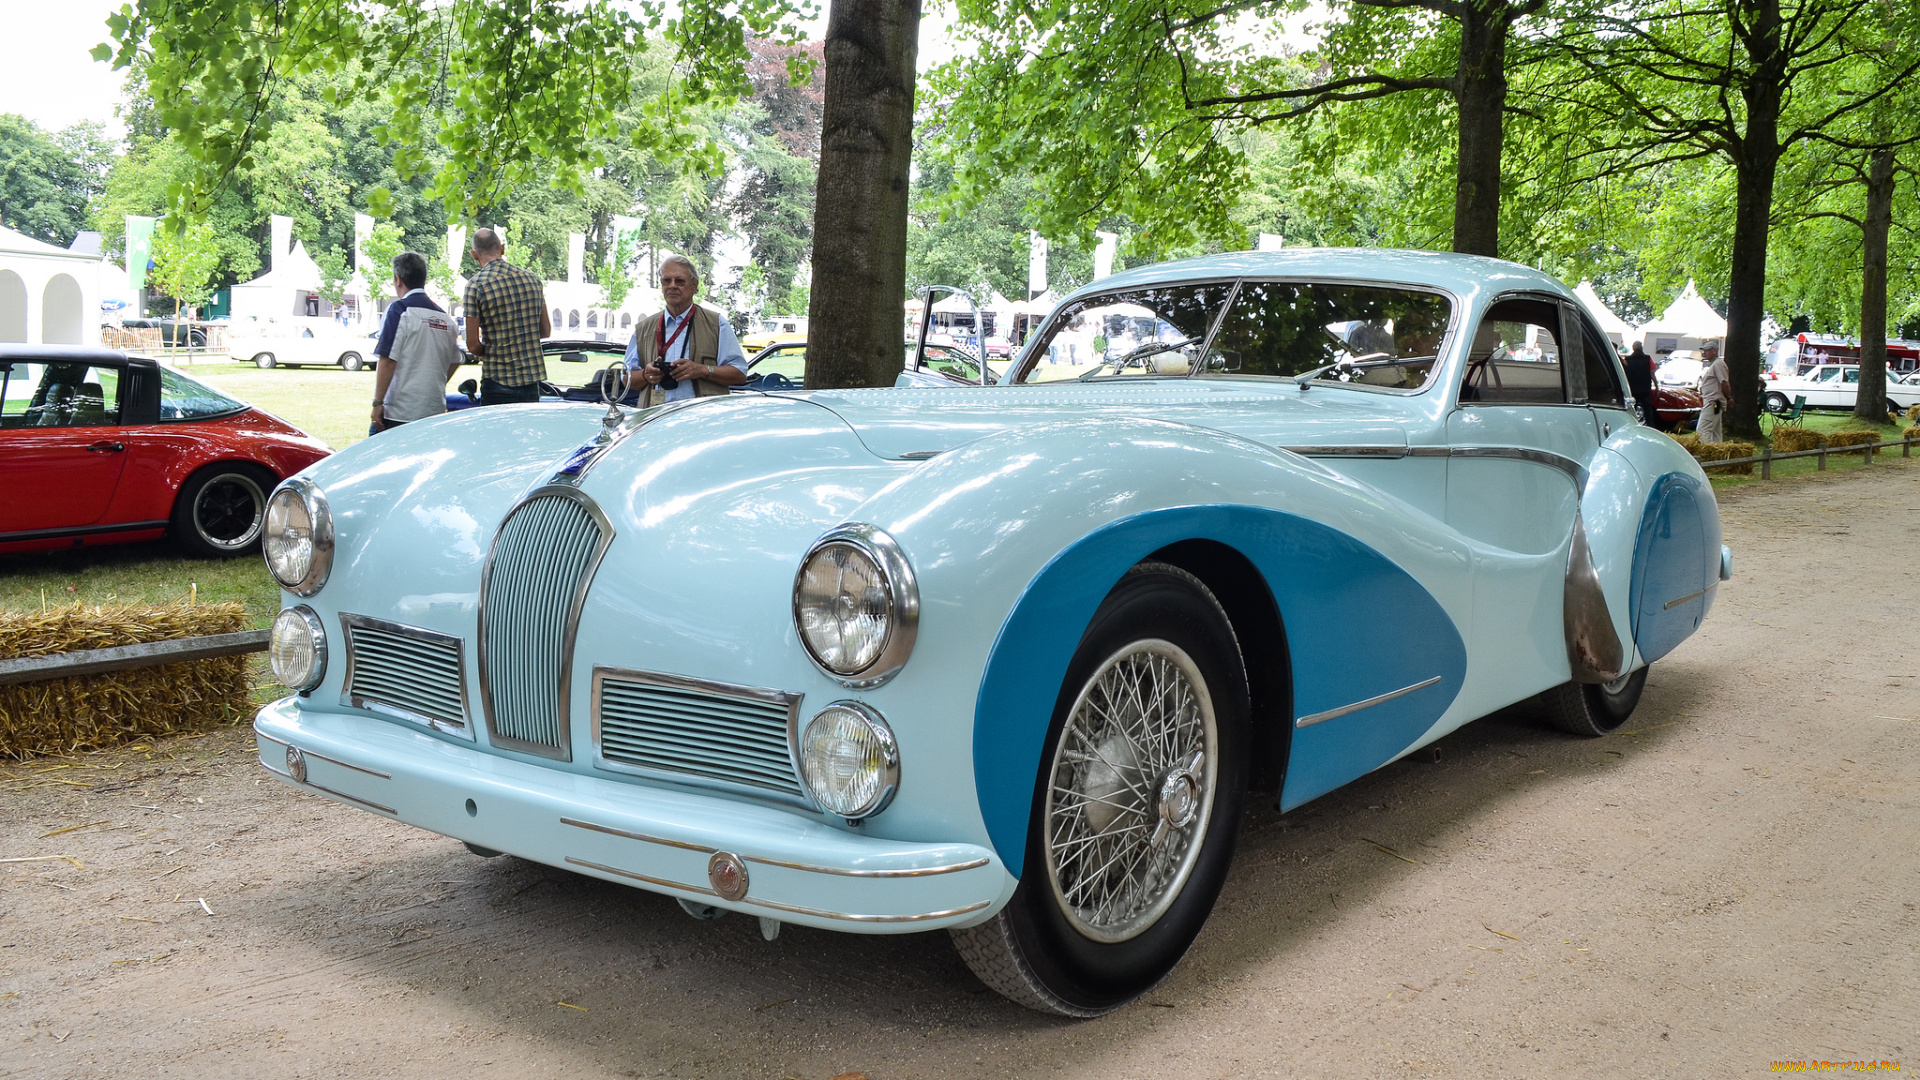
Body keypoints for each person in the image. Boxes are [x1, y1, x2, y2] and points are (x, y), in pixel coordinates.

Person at [624, 255, 748, 404]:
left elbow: (739, 374)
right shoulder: (643, 328)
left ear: (694, 286)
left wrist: (701, 370)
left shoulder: (716, 324)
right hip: (655, 419)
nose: (672, 286)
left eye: (680, 281)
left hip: (700, 419)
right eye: (666, 280)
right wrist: (646, 374)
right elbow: (626, 379)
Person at [370, 251, 463, 432]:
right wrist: (432, 382)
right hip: (432, 408)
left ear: (398, 279)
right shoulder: (445, 318)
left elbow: (388, 359)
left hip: (399, 412)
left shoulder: (399, 310)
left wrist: (378, 402)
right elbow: (456, 360)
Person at [462, 227, 551, 405]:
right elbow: (545, 330)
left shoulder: (475, 286)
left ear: (474, 254)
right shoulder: (533, 280)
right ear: (502, 249)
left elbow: (472, 345)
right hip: (531, 382)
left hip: (497, 382)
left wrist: (487, 351)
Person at [1696, 341, 1730, 442]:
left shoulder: (1718, 364)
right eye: (1704, 350)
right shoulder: (1715, 364)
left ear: (1714, 351)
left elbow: (1724, 383)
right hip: (1714, 402)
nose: (1704, 352)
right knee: (1716, 432)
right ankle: (1717, 452)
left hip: (1714, 402)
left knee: (1703, 429)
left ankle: (1704, 453)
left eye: (1707, 350)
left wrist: (1728, 398)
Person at [1623, 340, 1655, 423]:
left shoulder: (1627, 359)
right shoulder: (1648, 359)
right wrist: (1656, 385)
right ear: (1641, 348)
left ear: (1633, 349)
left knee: (1632, 408)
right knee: (1648, 409)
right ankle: (1650, 426)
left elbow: (1624, 374)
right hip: (1645, 388)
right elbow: (1652, 373)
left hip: (1632, 388)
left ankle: (1632, 423)